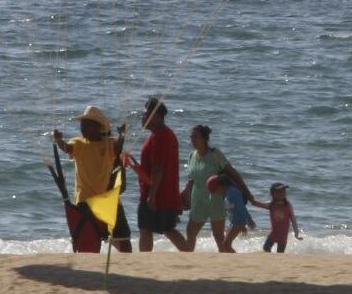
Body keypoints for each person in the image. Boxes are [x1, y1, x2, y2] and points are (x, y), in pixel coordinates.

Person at [53, 106, 131, 253]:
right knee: (89, 242)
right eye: (82, 124)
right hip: (86, 200)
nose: (83, 127)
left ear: (98, 127)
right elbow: (67, 148)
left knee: (124, 240)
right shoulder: (79, 143)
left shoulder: (109, 144)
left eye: (87, 124)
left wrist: (122, 135)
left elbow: (118, 149)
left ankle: (126, 267)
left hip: (108, 199)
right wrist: (59, 140)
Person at [132, 97, 191, 252]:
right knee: (167, 228)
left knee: (146, 228)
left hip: (157, 194)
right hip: (165, 194)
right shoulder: (164, 134)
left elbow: (158, 169)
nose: (142, 117)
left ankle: (144, 261)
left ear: (156, 116)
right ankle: (189, 255)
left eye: (145, 114)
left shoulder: (160, 136)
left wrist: (151, 195)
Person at [179, 125, 247, 253]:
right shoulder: (192, 156)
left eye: (196, 137)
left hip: (215, 200)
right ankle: (187, 259)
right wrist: (181, 197)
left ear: (204, 139)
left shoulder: (215, 154)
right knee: (190, 231)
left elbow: (233, 173)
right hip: (197, 200)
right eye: (191, 137)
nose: (192, 140)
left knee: (219, 238)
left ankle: (231, 263)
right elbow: (191, 181)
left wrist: (246, 193)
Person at [250, 183, 302, 253]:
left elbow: (293, 219)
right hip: (273, 233)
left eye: (283, 191)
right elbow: (260, 204)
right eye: (279, 192)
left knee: (280, 253)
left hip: (283, 235)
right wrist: (251, 200)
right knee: (266, 248)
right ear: (272, 194)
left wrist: (296, 232)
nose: (282, 193)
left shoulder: (288, 205)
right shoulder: (271, 205)